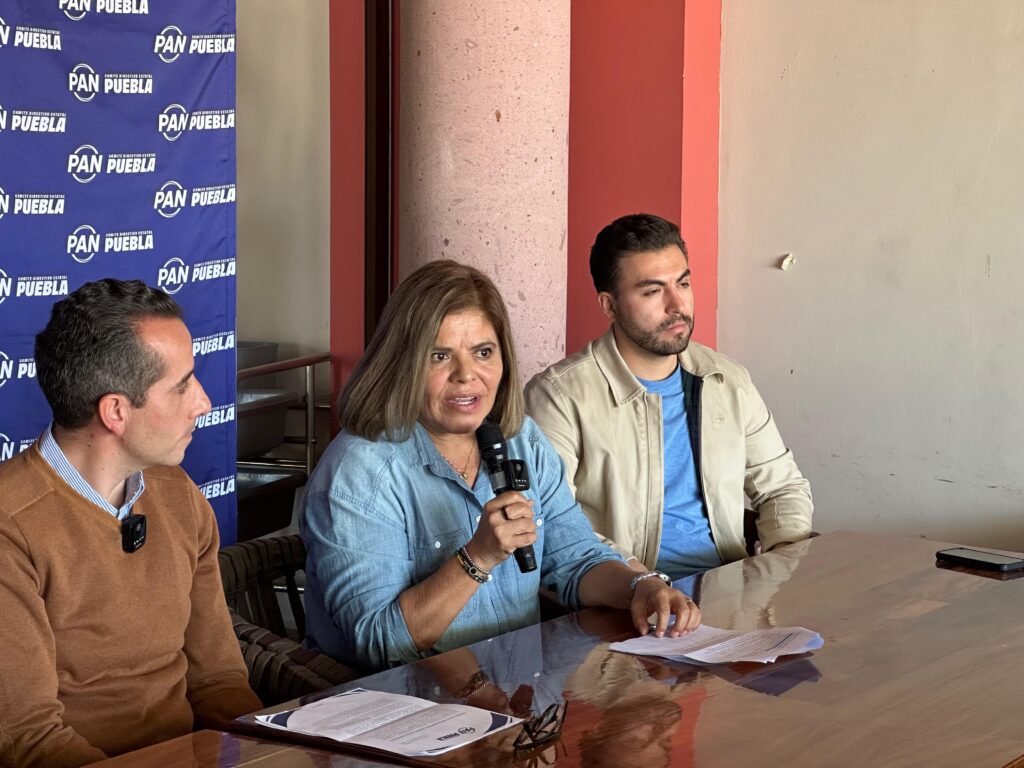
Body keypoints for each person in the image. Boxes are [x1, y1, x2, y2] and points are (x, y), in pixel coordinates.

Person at [300, 260, 700, 673]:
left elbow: (576, 559)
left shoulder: (520, 439)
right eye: (440, 356)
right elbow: (379, 642)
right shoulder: (358, 472)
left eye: (483, 352)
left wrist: (640, 586)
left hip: (517, 686)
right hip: (402, 699)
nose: (466, 375)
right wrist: (478, 557)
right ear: (403, 363)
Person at [0, 279, 261, 767]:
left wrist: (273, 754)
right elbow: (29, 738)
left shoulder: (178, 493)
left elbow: (219, 681)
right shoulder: (10, 525)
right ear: (116, 412)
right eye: (182, 385)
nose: (204, 402)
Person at [525, 213, 812, 580]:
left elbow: (782, 487)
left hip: (729, 589)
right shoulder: (558, 396)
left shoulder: (726, 379)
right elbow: (554, 524)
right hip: (623, 597)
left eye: (683, 283)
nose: (677, 305)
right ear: (609, 305)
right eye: (652, 291)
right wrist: (641, 585)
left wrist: (782, 559)